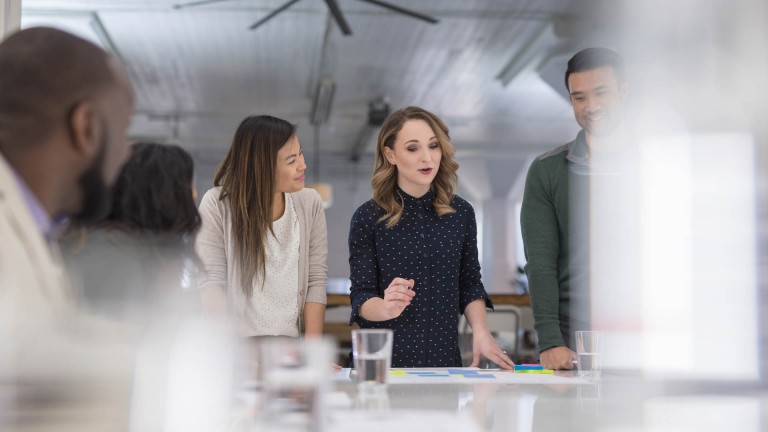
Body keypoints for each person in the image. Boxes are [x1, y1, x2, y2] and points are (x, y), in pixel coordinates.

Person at [0, 27, 135, 380]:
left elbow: (45, 342)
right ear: (86, 127)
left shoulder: (33, 224)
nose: (125, 152)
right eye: (123, 131)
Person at [348, 106, 515, 369]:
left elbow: (470, 283)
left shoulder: (461, 213)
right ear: (390, 154)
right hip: (383, 365)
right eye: (413, 148)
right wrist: (387, 307)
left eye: (434, 146)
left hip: (443, 363)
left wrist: (481, 333)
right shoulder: (368, 217)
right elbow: (361, 296)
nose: (427, 157)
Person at [520, 47, 628, 370]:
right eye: (579, 97)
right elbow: (540, 265)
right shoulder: (547, 171)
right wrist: (550, 341)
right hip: (573, 339)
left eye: (601, 93)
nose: (591, 106)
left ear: (625, 91)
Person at [195, 115, 328, 338]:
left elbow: (316, 280)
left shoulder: (310, 202)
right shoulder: (217, 205)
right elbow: (212, 284)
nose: (303, 165)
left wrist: (311, 355)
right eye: (291, 160)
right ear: (262, 167)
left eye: (301, 153)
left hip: (291, 349)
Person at [61, 142, 202, 322]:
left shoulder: (112, 247)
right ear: (163, 198)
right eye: (187, 191)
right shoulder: (114, 259)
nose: (194, 196)